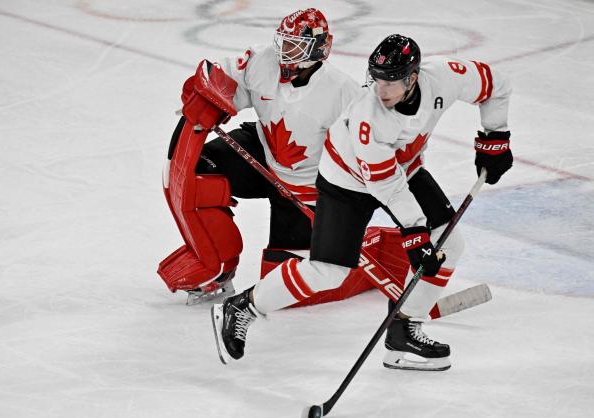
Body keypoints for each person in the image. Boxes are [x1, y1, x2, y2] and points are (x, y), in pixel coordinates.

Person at [211, 34, 513, 371]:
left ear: (413, 78)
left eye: (390, 82)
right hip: (346, 181)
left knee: (449, 243)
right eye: (376, 80)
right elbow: (385, 186)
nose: (380, 90)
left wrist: (494, 137)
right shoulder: (369, 117)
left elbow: (495, 86)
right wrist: (414, 234)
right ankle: (243, 306)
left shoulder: (445, 77)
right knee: (328, 271)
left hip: (403, 169)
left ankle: (404, 330)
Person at [158, 8, 361, 305]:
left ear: (318, 49)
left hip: (306, 188)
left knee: (282, 282)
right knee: (200, 171)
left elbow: (364, 154)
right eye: (283, 42)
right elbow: (222, 77)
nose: (283, 53)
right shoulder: (262, 60)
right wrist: (203, 95)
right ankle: (219, 267)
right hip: (262, 149)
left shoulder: (344, 93)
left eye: (294, 46)